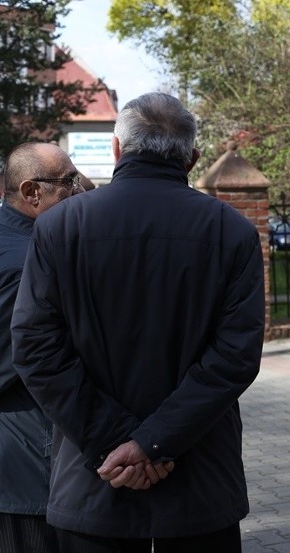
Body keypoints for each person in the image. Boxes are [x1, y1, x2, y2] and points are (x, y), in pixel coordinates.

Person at [11, 92, 266, 553]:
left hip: (96, 475)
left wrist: (119, 442)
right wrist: (149, 444)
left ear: (116, 149)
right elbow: (235, 357)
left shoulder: (58, 226)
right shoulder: (232, 231)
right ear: (192, 158)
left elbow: (35, 349)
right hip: (198, 470)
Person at [0, 142, 85, 552]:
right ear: (33, 193)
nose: (79, 189)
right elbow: (28, 359)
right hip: (25, 458)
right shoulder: (29, 261)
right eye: (68, 181)